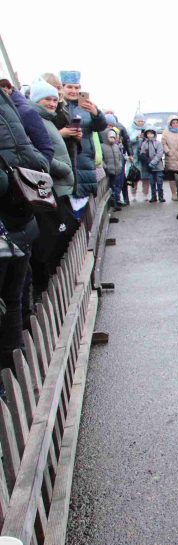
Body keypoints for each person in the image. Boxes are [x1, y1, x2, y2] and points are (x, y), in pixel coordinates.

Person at [0, 82, 50, 375]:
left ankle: (9, 375)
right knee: (15, 299)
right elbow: (37, 159)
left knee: (12, 299)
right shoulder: (12, 107)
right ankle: (16, 367)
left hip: (9, 226)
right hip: (21, 222)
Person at [29, 78, 78, 296]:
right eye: (46, 99)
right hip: (53, 187)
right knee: (54, 239)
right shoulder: (35, 120)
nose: (51, 103)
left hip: (60, 187)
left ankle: (57, 285)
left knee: (64, 234)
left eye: (53, 99)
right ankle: (49, 288)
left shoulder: (47, 120)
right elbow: (38, 154)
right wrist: (64, 168)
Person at [60, 71, 106, 202]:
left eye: (76, 87)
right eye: (69, 87)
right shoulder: (58, 105)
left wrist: (96, 113)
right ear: (62, 87)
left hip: (84, 157)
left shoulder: (87, 106)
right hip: (66, 155)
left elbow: (100, 127)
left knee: (83, 200)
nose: (73, 91)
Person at [139, 126, 165, 203]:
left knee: (159, 182)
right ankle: (153, 196)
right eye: (148, 134)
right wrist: (147, 161)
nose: (150, 135)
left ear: (154, 134)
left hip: (158, 166)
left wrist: (152, 162)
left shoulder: (158, 143)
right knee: (152, 182)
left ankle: (161, 196)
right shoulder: (144, 144)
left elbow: (160, 154)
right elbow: (142, 153)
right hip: (149, 167)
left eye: (151, 133)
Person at [101, 129, 125, 210]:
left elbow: (119, 157)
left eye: (114, 138)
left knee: (116, 186)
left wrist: (120, 166)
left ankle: (116, 202)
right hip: (108, 171)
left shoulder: (116, 146)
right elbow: (101, 159)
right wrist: (105, 167)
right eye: (111, 137)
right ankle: (113, 204)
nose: (113, 139)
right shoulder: (102, 147)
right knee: (111, 188)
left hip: (117, 170)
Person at [128, 113, 148, 200]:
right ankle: (133, 194)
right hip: (134, 156)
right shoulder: (130, 129)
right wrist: (137, 137)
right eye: (139, 121)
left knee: (145, 176)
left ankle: (146, 194)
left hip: (144, 156)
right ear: (135, 121)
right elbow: (129, 140)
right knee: (133, 176)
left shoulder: (147, 129)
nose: (141, 123)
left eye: (142, 121)